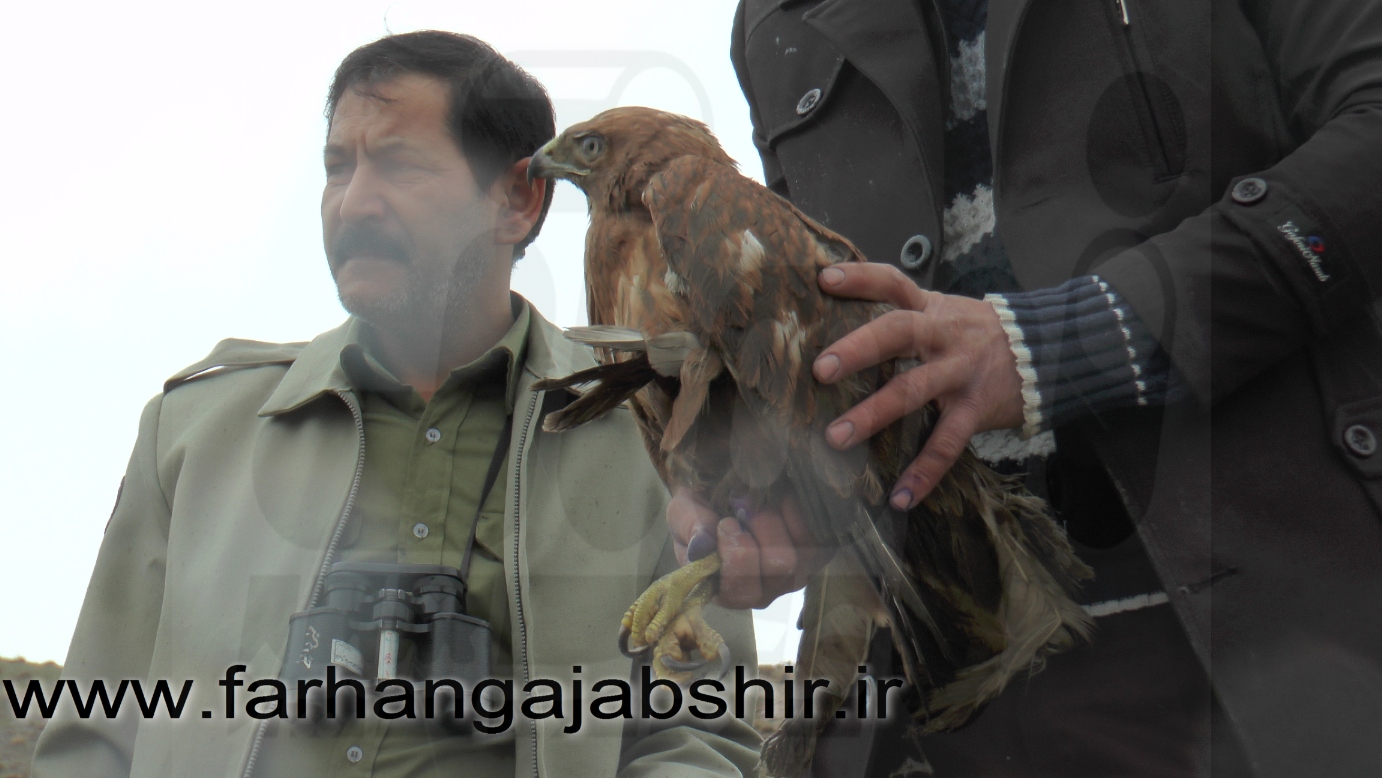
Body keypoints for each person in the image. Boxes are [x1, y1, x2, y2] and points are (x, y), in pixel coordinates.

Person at [668, 0, 1382, 774]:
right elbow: (825, 320)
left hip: (1265, 675)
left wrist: (1072, 340)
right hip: (938, 709)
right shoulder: (770, 18)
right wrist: (777, 487)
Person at [32, 31, 759, 778]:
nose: (353, 204)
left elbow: (698, 739)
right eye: (337, 168)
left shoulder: (655, 433)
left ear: (518, 198)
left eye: (399, 165)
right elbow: (93, 740)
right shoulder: (192, 434)